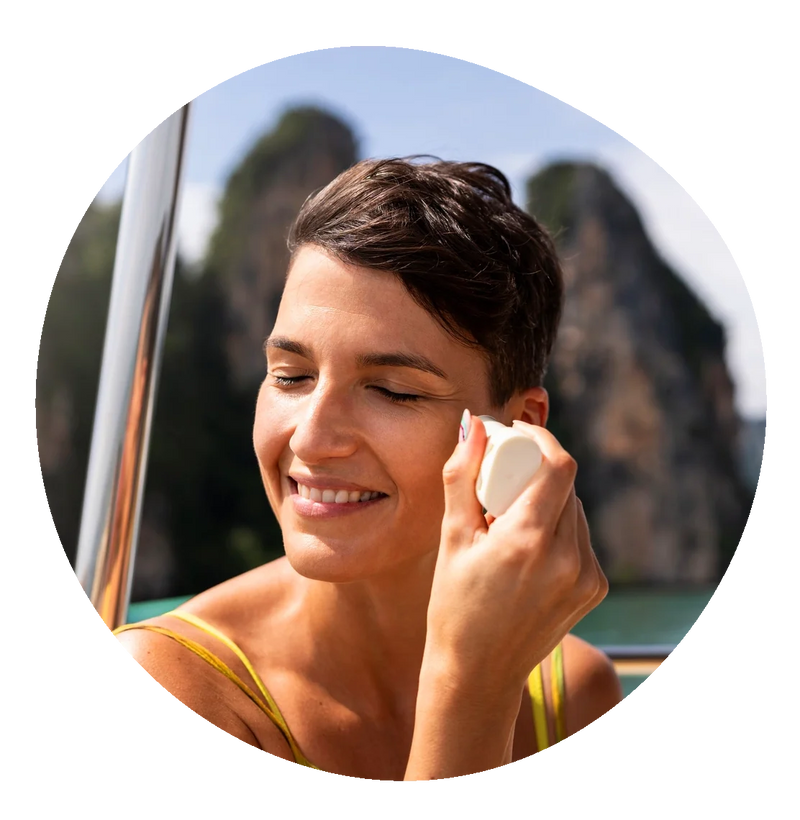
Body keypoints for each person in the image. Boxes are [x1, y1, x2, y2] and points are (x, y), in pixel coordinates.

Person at [113, 157, 623, 780]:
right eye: (290, 376)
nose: (313, 436)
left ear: (520, 428)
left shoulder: (574, 694)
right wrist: (468, 690)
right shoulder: (180, 687)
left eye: (394, 391)